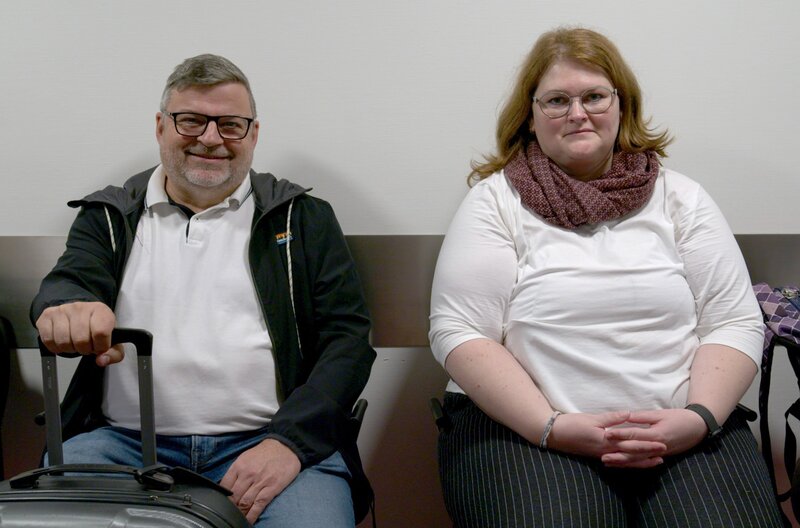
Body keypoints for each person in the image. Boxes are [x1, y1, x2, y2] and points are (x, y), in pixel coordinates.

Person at [428, 27, 783, 527]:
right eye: (557, 100)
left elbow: (733, 320)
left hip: (681, 426)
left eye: (594, 96)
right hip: (527, 433)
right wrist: (550, 426)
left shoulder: (682, 198)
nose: (578, 113)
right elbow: (460, 330)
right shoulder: (494, 202)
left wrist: (698, 418)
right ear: (530, 116)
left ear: (622, 105)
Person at [31, 54, 375, 527]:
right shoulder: (109, 217)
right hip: (122, 444)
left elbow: (348, 341)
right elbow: (70, 282)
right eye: (191, 120)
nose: (211, 138)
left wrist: (289, 444)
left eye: (230, 124)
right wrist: (66, 307)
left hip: (270, 441)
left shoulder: (302, 219)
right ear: (160, 127)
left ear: (253, 135)